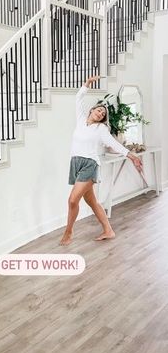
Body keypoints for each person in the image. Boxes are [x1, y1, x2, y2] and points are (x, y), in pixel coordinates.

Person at [60, 76, 143, 246]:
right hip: (76, 163)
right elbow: (78, 98)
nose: (101, 113)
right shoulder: (81, 121)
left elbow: (114, 143)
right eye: (99, 110)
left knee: (72, 200)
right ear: (92, 110)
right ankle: (108, 230)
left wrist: (132, 155)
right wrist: (86, 84)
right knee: (92, 202)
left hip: (90, 165)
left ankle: (69, 231)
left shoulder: (101, 129)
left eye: (103, 114)